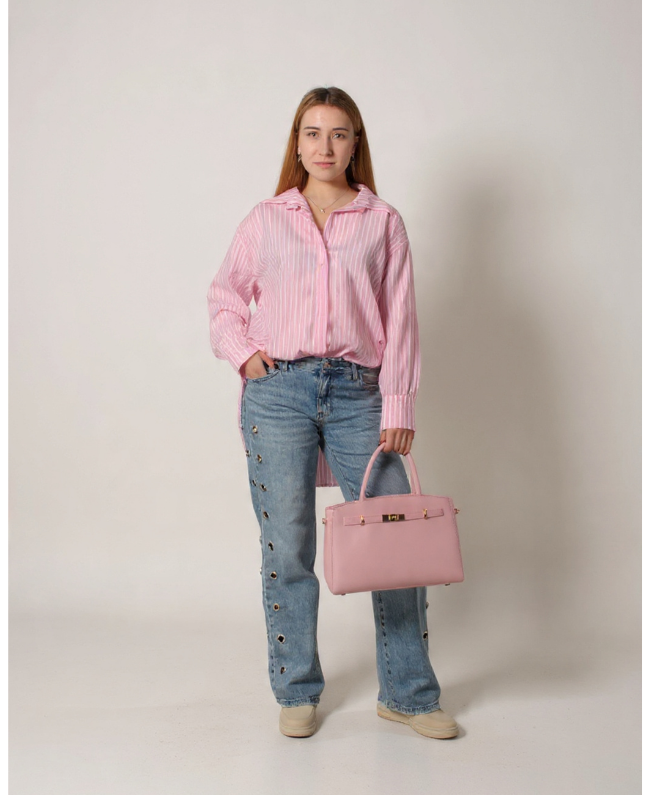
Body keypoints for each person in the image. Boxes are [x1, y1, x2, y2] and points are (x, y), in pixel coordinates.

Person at [207, 86, 459, 740]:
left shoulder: (383, 222)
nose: (325, 146)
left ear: (355, 144)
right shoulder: (266, 218)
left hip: (358, 392)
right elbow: (224, 298)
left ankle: (407, 693)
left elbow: (401, 320)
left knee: (396, 537)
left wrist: (398, 401)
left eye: (338, 133)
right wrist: (244, 354)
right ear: (297, 144)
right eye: (313, 133)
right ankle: (295, 689)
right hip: (278, 393)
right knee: (288, 543)